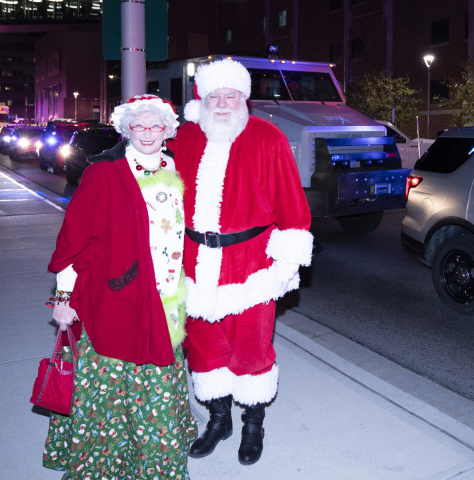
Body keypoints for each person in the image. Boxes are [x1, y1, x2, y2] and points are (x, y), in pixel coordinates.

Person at [43, 94, 198, 479]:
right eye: (138, 125)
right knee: (110, 391)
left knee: (158, 386)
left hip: (166, 298)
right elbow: (73, 241)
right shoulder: (105, 172)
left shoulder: (179, 170)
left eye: (156, 125)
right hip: (114, 298)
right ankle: (104, 465)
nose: (147, 133)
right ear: (126, 128)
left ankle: (156, 465)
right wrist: (64, 297)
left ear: (168, 130)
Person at [170, 59, 313, 465]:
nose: (221, 103)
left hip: (251, 264)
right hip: (195, 264)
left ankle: (253, 423)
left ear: (243, 98)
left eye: (229, 95)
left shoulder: (268, 137)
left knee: (251, 348)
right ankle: (219, 420)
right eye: (213, 95)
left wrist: (286, 265)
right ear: (201, 98)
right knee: (203, 347)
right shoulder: (185, 138)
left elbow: (292, 204)